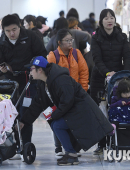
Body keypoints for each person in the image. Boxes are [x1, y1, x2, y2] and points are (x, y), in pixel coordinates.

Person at [20, 56, 114, 165]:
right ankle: (71, 153)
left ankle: (71, 155)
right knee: (56, 124)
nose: (29, 72)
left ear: (39, 70)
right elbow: (37, 104)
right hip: (71, 111)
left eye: (31, 69)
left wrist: (54, 115)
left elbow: (67, 101)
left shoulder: (60, 80)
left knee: (57, 125)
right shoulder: (42, 83)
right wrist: (24, 121)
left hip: (82, 111)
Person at [0, 14, 47, 153]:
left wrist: (33, 68)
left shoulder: (30, 37)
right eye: (8, 31)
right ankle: (16, 144)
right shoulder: (1, 43)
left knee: (26, 112)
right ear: (3, 30)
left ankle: (26, 145)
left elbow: (42, 55)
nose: (12, 33)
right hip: (10, 82)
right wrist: (1, 67)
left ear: (20, 26)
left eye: (14, 29)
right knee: (12, 112)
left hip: (29, 80)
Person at [90, 9, 130, 155]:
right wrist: (107, 73)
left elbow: (127, 57)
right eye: (106, 18)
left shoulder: (122, 36)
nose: (109, 20)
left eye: (112, 17)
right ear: (101, 21)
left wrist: (125, 74)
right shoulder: (95, 38)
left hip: (119, 78)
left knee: (119, 108)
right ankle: (101, 144)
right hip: (99, 78)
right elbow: (96, 59)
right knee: (100, 112)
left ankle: (120, 140)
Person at [47, 29, 89, 158]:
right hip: (59, 95)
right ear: (59, 42)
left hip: (76, 94)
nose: (70, 42)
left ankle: (72, 147)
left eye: (71, 39)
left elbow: (84, 72)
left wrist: (82, 91)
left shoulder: (77, 54)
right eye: (67, 40)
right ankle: (58, 147)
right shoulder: (53, 56)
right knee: (58, 117)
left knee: (73, 121)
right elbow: (49, 76)